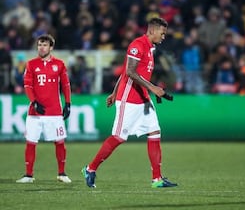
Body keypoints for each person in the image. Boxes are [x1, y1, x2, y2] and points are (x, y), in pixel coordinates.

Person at [81, 17, 177, 188]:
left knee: (154, 132)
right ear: (152, 31)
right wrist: (153, 88)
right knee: (118, 137)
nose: (163, 37)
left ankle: (157, 179)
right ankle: (90, 168)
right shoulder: (137, 45)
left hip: (143, 99)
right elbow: (130, 72)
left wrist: (114, 91)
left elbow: (126, 72)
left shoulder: (150, 48)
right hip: (129, 99)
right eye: (162, 33)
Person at [16, 34, 72, 184]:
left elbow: (65, 85)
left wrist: (68, 103)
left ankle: (62, 173)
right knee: (31, 142)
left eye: (45, 45)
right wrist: (34, 102)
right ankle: (28, 175)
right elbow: (27, 85)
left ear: (51, 47)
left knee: (59, 142)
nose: (41, 47)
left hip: (54, 111)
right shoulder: (31, 64)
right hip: (35, 112)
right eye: (40, 44)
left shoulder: (59, 64)